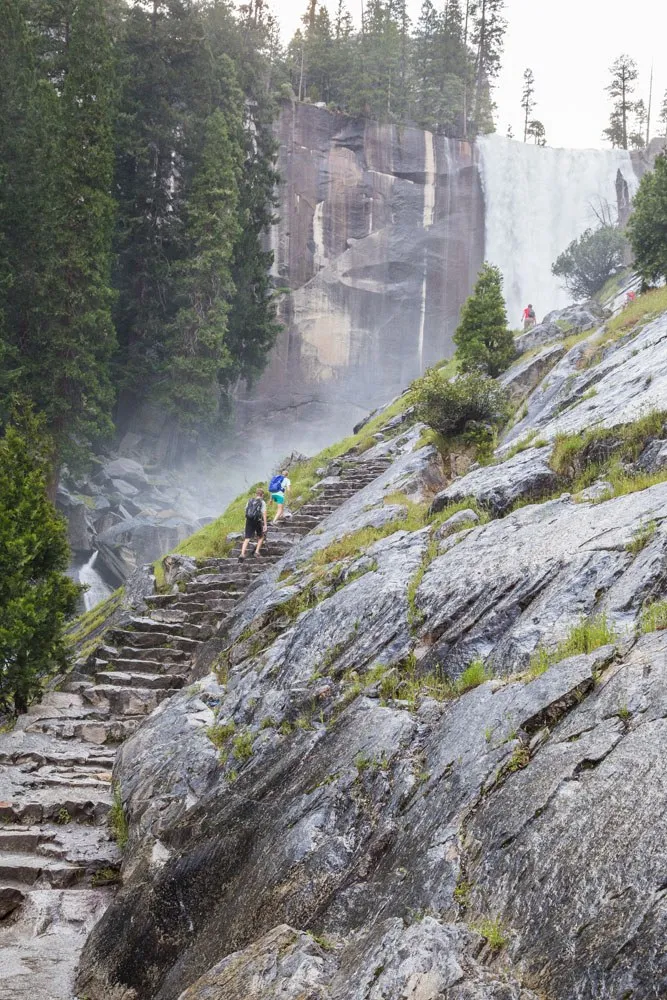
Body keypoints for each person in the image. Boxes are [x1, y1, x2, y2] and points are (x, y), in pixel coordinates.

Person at [239, 488, 267, 560]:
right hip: (257, 521)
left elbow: (246, 510)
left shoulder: (250, 501)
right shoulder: (262, 502)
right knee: (261, 536)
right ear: (262, 495)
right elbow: (264, 513)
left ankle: (242, 554)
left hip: (249, 520)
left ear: (256, 494)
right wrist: (265, 524)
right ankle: (257, 552)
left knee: (247, 538)